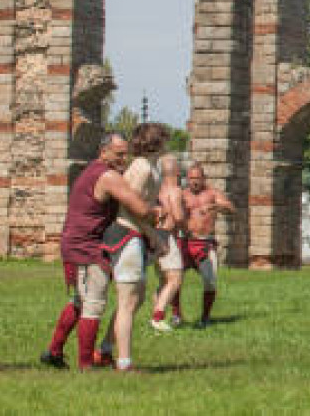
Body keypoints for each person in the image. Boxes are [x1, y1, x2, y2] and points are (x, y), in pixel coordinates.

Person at [40, 132, 160, 370]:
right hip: (85, 246)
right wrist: (159, 213)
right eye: (118, 154)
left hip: (80, 243)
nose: (123, 159)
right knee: (93, 304)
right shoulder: (107, 176)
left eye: (126, 154)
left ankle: (53, 352)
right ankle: (86, 365)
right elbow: (138, 208)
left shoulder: (96, 171)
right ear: (102, 151)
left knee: (80, 301)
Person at [97, 122, 169, 368]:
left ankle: (106, 348)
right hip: (126, 235)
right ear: (156, 142)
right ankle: (124, 362)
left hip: (136, 235)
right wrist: (154, 236)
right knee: (128, 301)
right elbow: (130, 204)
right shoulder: (141, 167)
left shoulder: (150, 165)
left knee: (135, 300)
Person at [179, 162, 235, 328]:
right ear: (187, 179)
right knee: (175, 280)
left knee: (210, 281)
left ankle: (205, 317)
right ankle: (176, 315)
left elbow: (231, 209)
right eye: (191, 178)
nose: (194, 181)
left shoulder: (212, 193)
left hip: (205, 242)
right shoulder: (182, 195)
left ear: (204, 178)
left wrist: (214, 206)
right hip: (185, 240)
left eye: (197, 178)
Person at [149, 154, 186, 331]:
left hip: (152, 235)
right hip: (166, 237)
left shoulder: (155, 189)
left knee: (163, 280)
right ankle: (158, 317)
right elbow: (178, 216)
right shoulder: (175, 190)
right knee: (175, 279)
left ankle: (155, 318)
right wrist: (187, 226)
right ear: (177, 171)